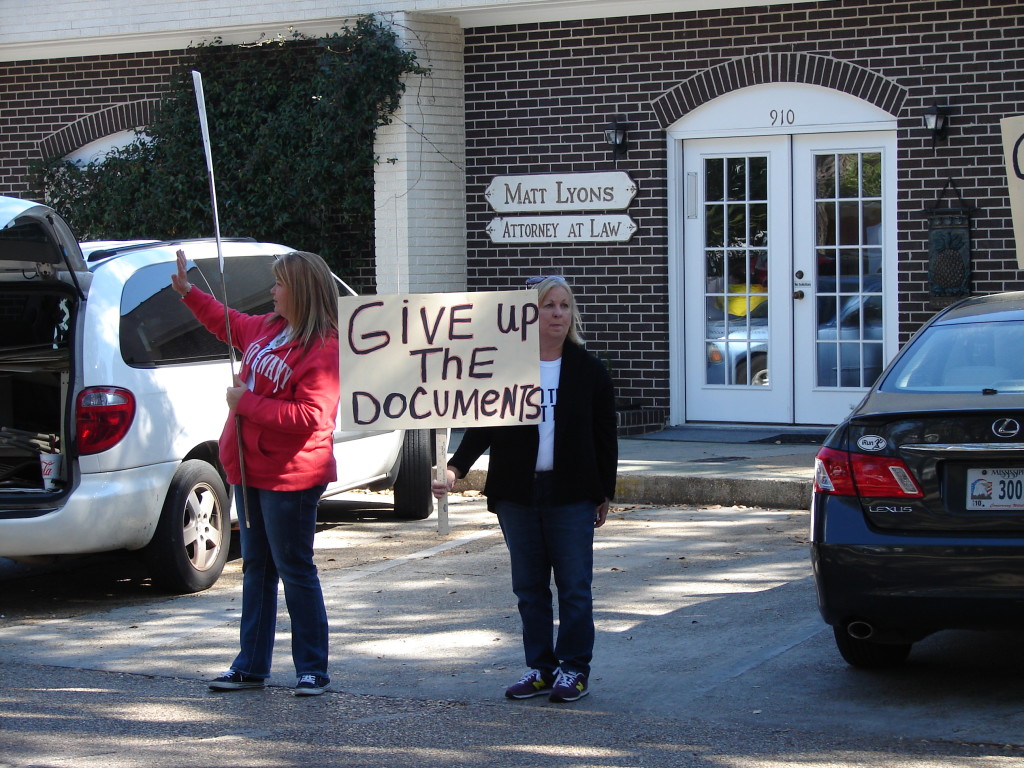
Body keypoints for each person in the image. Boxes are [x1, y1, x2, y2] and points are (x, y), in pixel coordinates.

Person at [431, 275, 618, 703]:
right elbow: (483, 426)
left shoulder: (588, 370)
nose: (557, 313)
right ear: (526, 314)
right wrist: (456, 468)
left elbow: (606, 435)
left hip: (571, 493)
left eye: (564, 306)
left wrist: (604, 490)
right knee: (529, 589)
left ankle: (573, 669)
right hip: (517, 494)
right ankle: (540, 667)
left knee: (574, 586)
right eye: (548, 305)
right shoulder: (505, 367)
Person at [171, 248, 339, 697]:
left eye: (279, 284)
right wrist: (189, 293)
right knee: (256, 568)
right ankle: (250, 666)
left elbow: (313, 417)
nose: (272, 291)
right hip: (247, 470)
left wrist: (248, 405)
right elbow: (226, 321)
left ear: (300, 292)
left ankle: (312, 669)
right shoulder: (267, 328)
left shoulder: (322, 346)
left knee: (294, 569)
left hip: (292, 476)